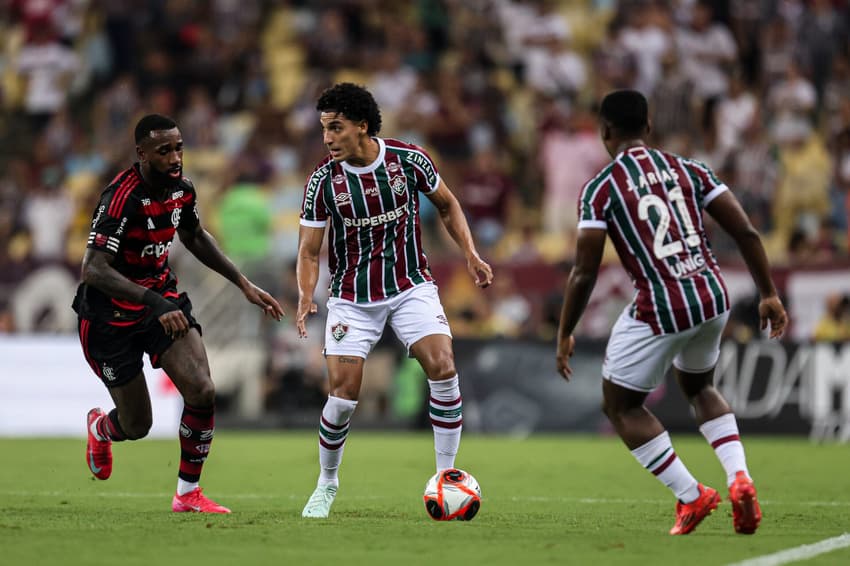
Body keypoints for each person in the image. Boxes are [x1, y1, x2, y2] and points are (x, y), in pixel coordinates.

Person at [555, 90, 787, 535]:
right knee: (700, 386)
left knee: (621, 405)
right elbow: (746, 230)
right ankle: (740, 478)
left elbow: (584, 272)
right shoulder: (690, 168)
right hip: (712, 297)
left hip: (662, 308)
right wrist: (768, 293)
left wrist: (565, 330)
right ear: (649, 126)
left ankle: (692, 495)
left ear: (605, 132)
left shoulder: (601, 189)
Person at [296, 83, 493, 518]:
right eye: (324, 129)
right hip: (351, 298)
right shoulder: (322, 183)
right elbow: (310, 251)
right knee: (344, 397)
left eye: (336, 128)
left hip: (410, 286)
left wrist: (470, 252)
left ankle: (447, 475)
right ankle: (326, 483)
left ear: (362, 127)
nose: (327, 137)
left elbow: (447, 204)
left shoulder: (409, 160)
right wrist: (306, 296)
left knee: (443, 366)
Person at [73, 114, 284, 513]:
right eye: (164, 150)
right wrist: (156, 304)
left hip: (160, 302)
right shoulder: (121, 197)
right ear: (142, 154)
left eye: (179, 148)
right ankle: (101, 427)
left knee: (202, 390)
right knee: (138, 426)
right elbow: (94, 269)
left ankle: (187, 494)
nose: (175, 158)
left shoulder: (182, 190)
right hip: (109, 318)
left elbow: (193, 235)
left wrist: (242, 283)